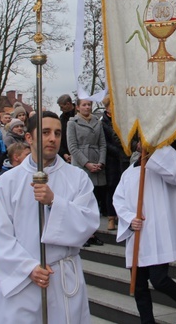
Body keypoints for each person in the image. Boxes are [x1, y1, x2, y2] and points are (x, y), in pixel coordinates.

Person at [0, 111, 99, 323]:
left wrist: (55, 202)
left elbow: (88, 222)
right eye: (45, 132)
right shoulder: (8, 181)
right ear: (29, 138)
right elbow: (0, 234)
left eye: (57, 133)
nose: (52, 138)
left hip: (62, 278)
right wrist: (28, 268)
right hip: (23, 278)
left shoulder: (77, 178)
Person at [113, 146, 176, 324]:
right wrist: (129, 218)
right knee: (140, 286)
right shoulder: (129, 172)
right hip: (138, 234)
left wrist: (152, 155)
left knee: (159, 280)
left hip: (158, 232)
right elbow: (118, 199)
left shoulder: (168, 155)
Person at [67, 97, 106, 247]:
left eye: (89, 104)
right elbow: (73, 147)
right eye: (84, 105)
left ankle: (92, 232)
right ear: (77, 107)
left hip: (96, 162)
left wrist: (101, 162)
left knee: (94, 200)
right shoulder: (73, 123)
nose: (87, 107)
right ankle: (81, 234)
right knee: (81, 201)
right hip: (82, 164)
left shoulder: (98, 122)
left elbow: (102, 144)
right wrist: (87, 164)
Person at [57, 94, 76, 163]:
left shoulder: (79, 116)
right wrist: (64, 153)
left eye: (61, 107)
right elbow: (60, 138)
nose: (60, 109)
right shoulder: (61, 119)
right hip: (66, 156)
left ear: (68, 104)